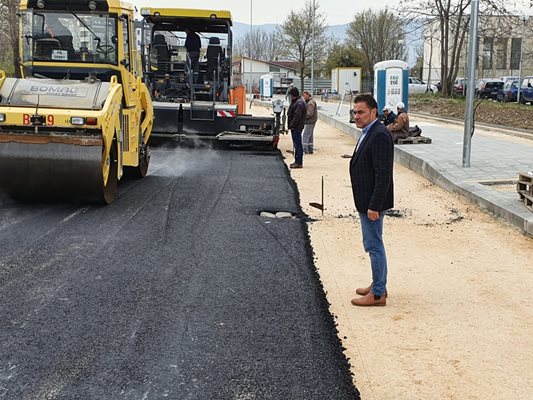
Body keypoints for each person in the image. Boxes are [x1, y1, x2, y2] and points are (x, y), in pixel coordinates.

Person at [349, 94, 394, 307]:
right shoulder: (369, 131)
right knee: (373, 244)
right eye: (354, 112)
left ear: (373, 112)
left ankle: (377, 294)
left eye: (361, 112)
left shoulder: (379, 135)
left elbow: (383, 173)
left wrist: (374, 205)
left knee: (374, 245)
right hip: (366, 201)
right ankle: (378, 284)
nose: (356, 116)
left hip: (371, 204)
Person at [287, 86, 307, 169]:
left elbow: (297, 117)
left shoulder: (299, 103)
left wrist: (292, 125)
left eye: (290, 95)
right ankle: (297, 161)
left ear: (293, 95)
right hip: (296, 126)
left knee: (298, 144)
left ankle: (298, 162)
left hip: (296, 127)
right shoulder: (296, 101)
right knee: (296, 144)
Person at [302, 90, 318, 154]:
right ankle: (310, 148)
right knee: (310, 135)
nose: (303, 97)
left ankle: (304, 149)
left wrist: (303, 117)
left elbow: (309, 113)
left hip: (310, 121)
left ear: (308, 95)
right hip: (311, 121)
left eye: (304, 95)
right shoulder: (310, 102)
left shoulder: (310, 103)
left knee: (305, 135)